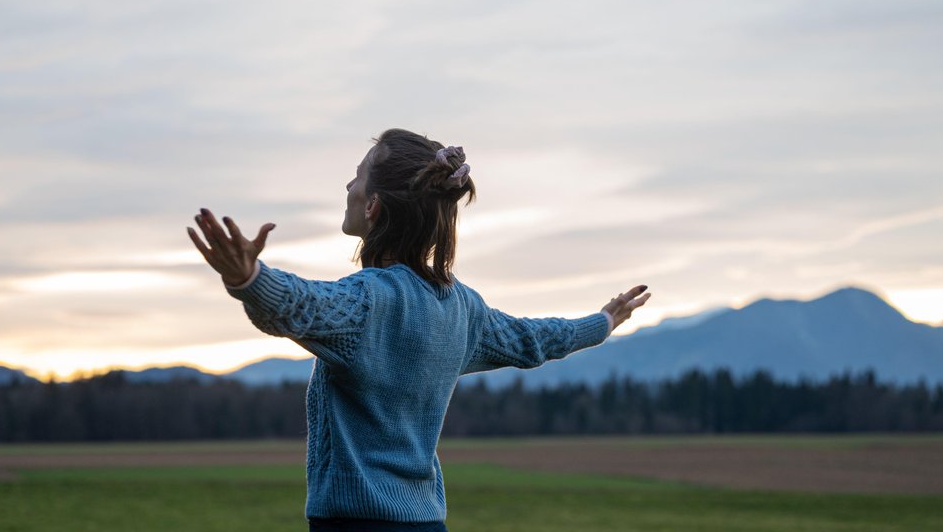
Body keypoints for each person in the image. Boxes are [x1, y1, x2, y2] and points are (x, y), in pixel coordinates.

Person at [188, 129, 650, 532]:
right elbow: (534, 340)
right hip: (427, 522)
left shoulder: (369, 302)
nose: (347, 185)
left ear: (372, 207)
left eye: (357, 175)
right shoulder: (462, 308)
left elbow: (299, 307)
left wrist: (248, 279)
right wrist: (603, 322)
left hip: (354, 525)